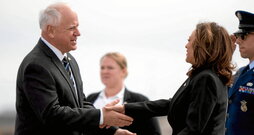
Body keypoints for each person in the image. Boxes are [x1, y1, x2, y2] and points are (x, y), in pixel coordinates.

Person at [14, 2, 136, 135]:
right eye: (72, 28)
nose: (78, 33)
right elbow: (52, 115)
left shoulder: (69, 60)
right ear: (51, 30)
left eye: (77, 27)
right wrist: (101, 116)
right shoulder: (36, 66)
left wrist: (114, 131)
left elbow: (81, 104)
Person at [107, 22, 235, 135]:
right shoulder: (204, 75)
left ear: (203, 45)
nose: (186, 45)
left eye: (190, 41)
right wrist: (126, 108)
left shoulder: (206, 78)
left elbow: (193, 130)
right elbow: (172, 104)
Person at [86, 52, 161, 135]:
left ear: (123, 71)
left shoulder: (140, 101)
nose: (104, 71)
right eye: (102, 68)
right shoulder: (90, 99)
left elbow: (154, 133)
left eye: (110, 68)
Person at [225, 10, 254, 135]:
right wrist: (226, 56)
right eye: (237, 36)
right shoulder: (240, 73)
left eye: (243, 36)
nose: (237, 41)